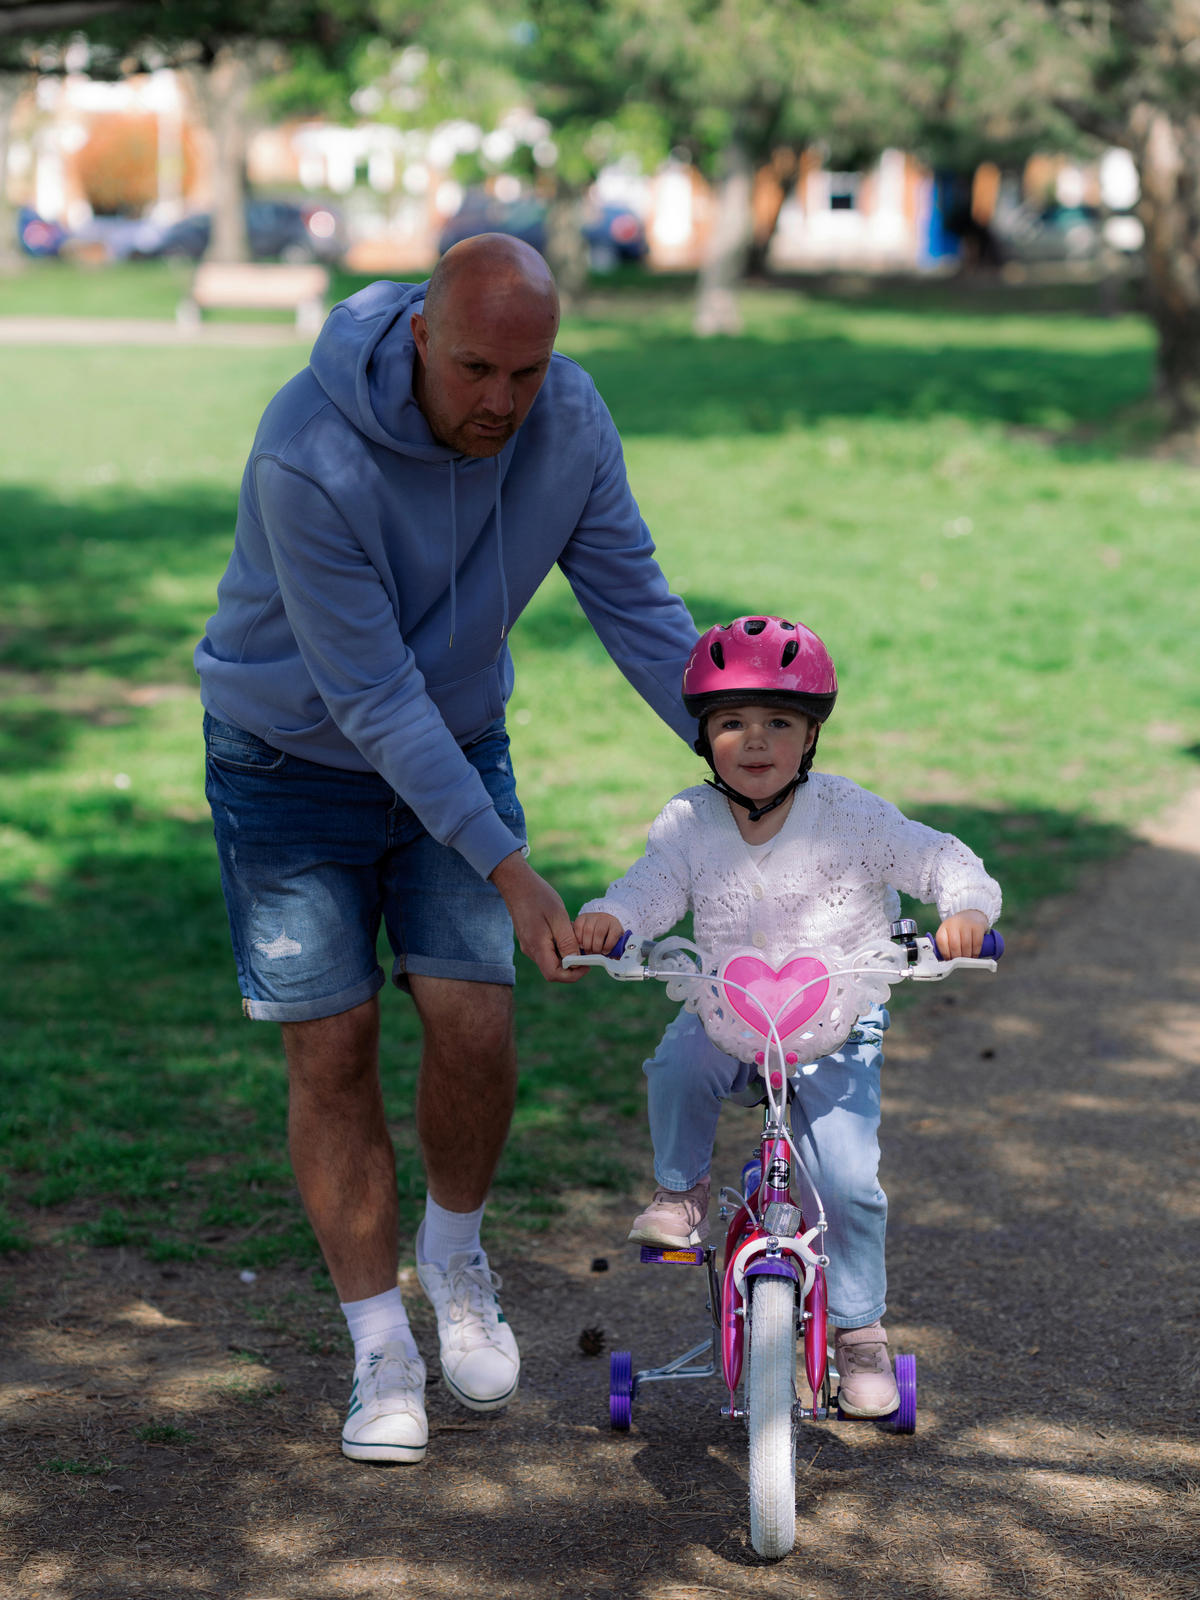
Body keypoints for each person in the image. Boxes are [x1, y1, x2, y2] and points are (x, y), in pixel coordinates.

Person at [196, 234, 699, 1464]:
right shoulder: (305, 452)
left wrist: (750, 745)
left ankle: (456, 1257)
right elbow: (370, 699)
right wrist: (507, 863)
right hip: (290, 761)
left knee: (476, 1027)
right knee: (337, 1045)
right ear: (421, 333)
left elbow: (632, 599)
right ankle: (379, 1346)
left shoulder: (564, 417)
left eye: (527, 372)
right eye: (478, 369)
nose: (502, 403)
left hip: (457, 740)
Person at [572, 615, 1001, 1417]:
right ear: (704, 739)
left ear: (811, 736)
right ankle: (680, 1193)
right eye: (732, 722)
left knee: (846, 1181)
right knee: (679, 1063)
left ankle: (858, 1329)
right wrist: (613, 918)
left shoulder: (853, 816)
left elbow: (940, 859)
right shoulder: (690, 822)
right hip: (730, 1009)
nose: (756, 740)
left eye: (779, 722)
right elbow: (650, 887)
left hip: (835, 1017)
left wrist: (966, 909)